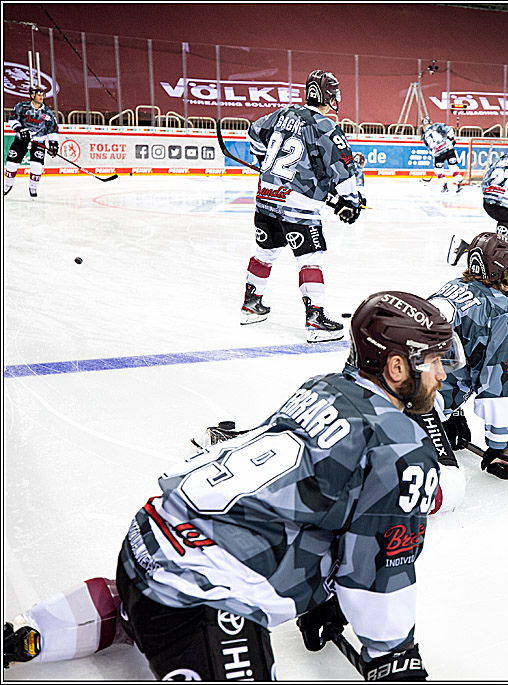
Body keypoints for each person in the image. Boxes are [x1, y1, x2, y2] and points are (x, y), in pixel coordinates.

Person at [4, 290, 465, 680]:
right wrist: (392, 654)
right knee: (179, 619)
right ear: (398, 369)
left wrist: (320, 597)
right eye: (434, 362)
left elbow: (305, 498)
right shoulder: (400, 445)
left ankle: (44, 629)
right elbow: (379, 571)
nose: (442, 374)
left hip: (145, 545)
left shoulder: (324, 386)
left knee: (143, 611)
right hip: (198, 604)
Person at [240, 69, 364, 343]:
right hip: (298, 205)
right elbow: (342, 169)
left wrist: (264, 162)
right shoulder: (326, 127)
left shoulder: (282, 114)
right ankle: (316, 318)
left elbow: (253, 132)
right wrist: (351, 202)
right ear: (330, 96)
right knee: (310, 258)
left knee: (265, 252)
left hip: (266, 196)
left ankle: (250, 305)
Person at [428, 232, 508, 481]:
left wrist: (450, 413)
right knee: (448, 490)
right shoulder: (505, 313)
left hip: (380, 392)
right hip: (415, 412)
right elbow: (498, 387)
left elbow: (445, 355)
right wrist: (503, 446)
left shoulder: (451, 287)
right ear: (502, 272)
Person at [4, 84, 60, 198]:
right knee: (11, 163)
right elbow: (12, 119)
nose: (41, 97)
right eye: (39, 94)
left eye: (42, 95)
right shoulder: (22, 107)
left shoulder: (48, 113)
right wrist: (20, 129)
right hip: (21, 140)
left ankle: (33, 188)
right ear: (32, 95)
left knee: (36, 165)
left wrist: (54, 144)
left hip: (39, 141)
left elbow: (53, 129)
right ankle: (7, 185)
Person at [420, 116, 464, 193]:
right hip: (448, 149)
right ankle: (458, 185)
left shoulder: (424, 136)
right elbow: (449, 129)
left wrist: (434, 152)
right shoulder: (437, 125)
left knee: (438, 170)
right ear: (430, 122)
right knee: (453, 166)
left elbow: (429, 147)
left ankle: (444, 186)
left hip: (438, 154)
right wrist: (451, 139)